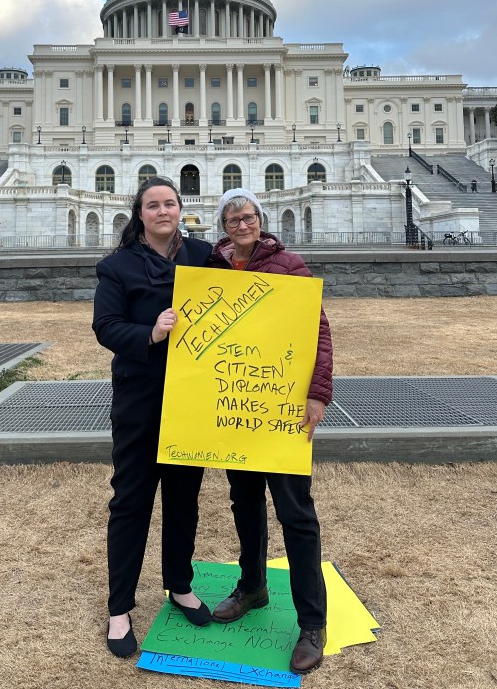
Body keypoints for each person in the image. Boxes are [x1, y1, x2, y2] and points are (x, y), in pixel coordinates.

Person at [208, 188, 333, 676]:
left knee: (296, 513)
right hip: (236, 403)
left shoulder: (290, 264)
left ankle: (311, 623)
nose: (243, 224)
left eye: (249, 216)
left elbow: (317, 330)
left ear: (261, 218)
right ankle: (253, 586)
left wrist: (317, 393)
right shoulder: (213, 270)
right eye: (234, 218)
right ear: (223, 224)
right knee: (244, 501)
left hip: (279, 405)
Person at [92, 176, 214, 657]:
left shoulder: (204, 255)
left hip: (192, 397)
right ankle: (119, 607)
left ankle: (179, 584)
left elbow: (251, 288)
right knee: (131, 502)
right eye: (153, 205)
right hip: (142, 397)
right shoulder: (117, 266)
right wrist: (151, 332)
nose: (163, 211)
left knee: (184, 496)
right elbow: (105, 327)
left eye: (170, 203)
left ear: (181, 209)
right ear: (139, 214)